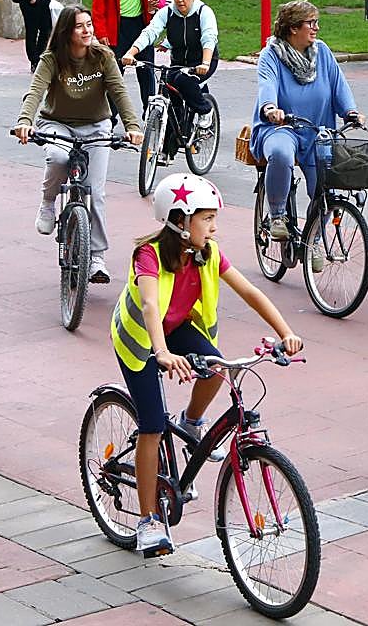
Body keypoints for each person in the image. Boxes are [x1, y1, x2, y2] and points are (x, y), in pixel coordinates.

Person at [112, 172, 303, 556]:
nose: (214, 227)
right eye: (207, 219)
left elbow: (248, 291)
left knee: (218, 368)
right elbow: (151, 305)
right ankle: (148, 520)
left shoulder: (208, 253)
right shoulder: (147, 254)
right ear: (181, 221)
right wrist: (162, 352)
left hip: (178, 325)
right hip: (141, 340)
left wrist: (285, 331)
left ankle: (191, 423)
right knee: (151, 425)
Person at [13, 6, 144, 284]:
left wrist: (133, 126)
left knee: (96, 192)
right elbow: (35, 92)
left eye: (89, 25)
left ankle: (96, 258)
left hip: (97, 125)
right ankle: (48, 202)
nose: (87, 31)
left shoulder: (103, 57)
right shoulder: (51, 59)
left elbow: (119, 92)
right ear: (66, 31)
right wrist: (25, 121)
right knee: (58, 158)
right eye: (80, 27)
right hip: (57, 123)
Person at [248, 0, 363, 249]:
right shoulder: (272, 55)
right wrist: (270, 108)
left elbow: (338, 85)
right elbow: (266, 84)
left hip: (317, 132)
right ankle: (277, 215)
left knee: (326, 191)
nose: (316, 28)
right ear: (293, 28)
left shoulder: (322, 52)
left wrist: (351, 112)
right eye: (311, 23)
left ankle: (315, 241)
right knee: (280, 153)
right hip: (280, 128)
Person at [121, 0, 219, 131]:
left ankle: (205, 110)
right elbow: (149, 33)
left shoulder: (203, 12)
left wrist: (205, 63)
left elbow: (209, 38)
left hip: (203, 60)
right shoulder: (167, 12)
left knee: (185, 82)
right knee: (169, 86)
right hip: (178, 61)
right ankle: (174, 137)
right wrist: (131, 53)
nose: (180, 0)